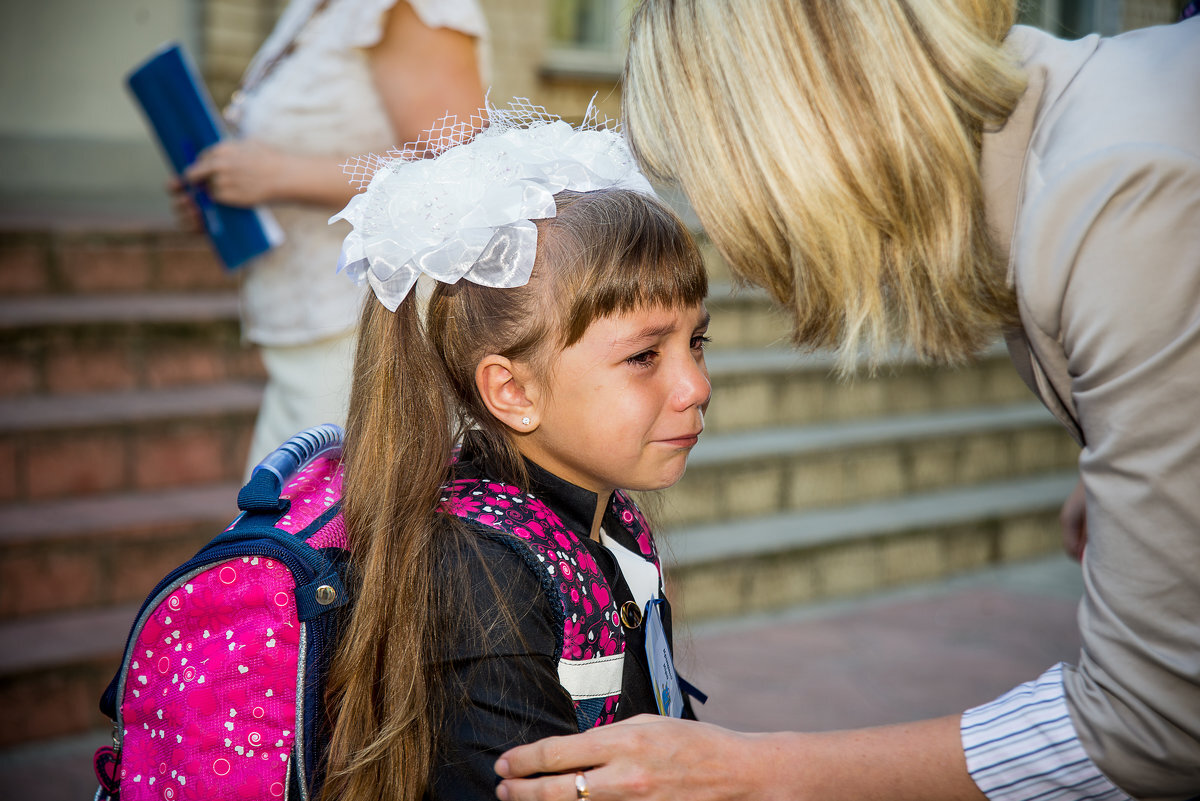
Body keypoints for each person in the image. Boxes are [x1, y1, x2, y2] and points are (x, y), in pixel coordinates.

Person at [493, 2, 1200, 800]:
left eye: (711, 181)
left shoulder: (1123, 191)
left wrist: (758, 771)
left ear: (788, 137)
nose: (731, 237)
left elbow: (1157, 723)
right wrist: (1137, 448)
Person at [316, 102, 710, 801]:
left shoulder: (605, 520)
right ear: (512, 391)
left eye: (696, 342)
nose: (695, 386)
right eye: (646, 355)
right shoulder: (482, 576)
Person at [172, 0, 487, 476]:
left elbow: (461, 170)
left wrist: (278, 175)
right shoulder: (310, 9)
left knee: (321, 540)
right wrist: (228, 186)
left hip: (372, 345)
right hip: (307, 343)